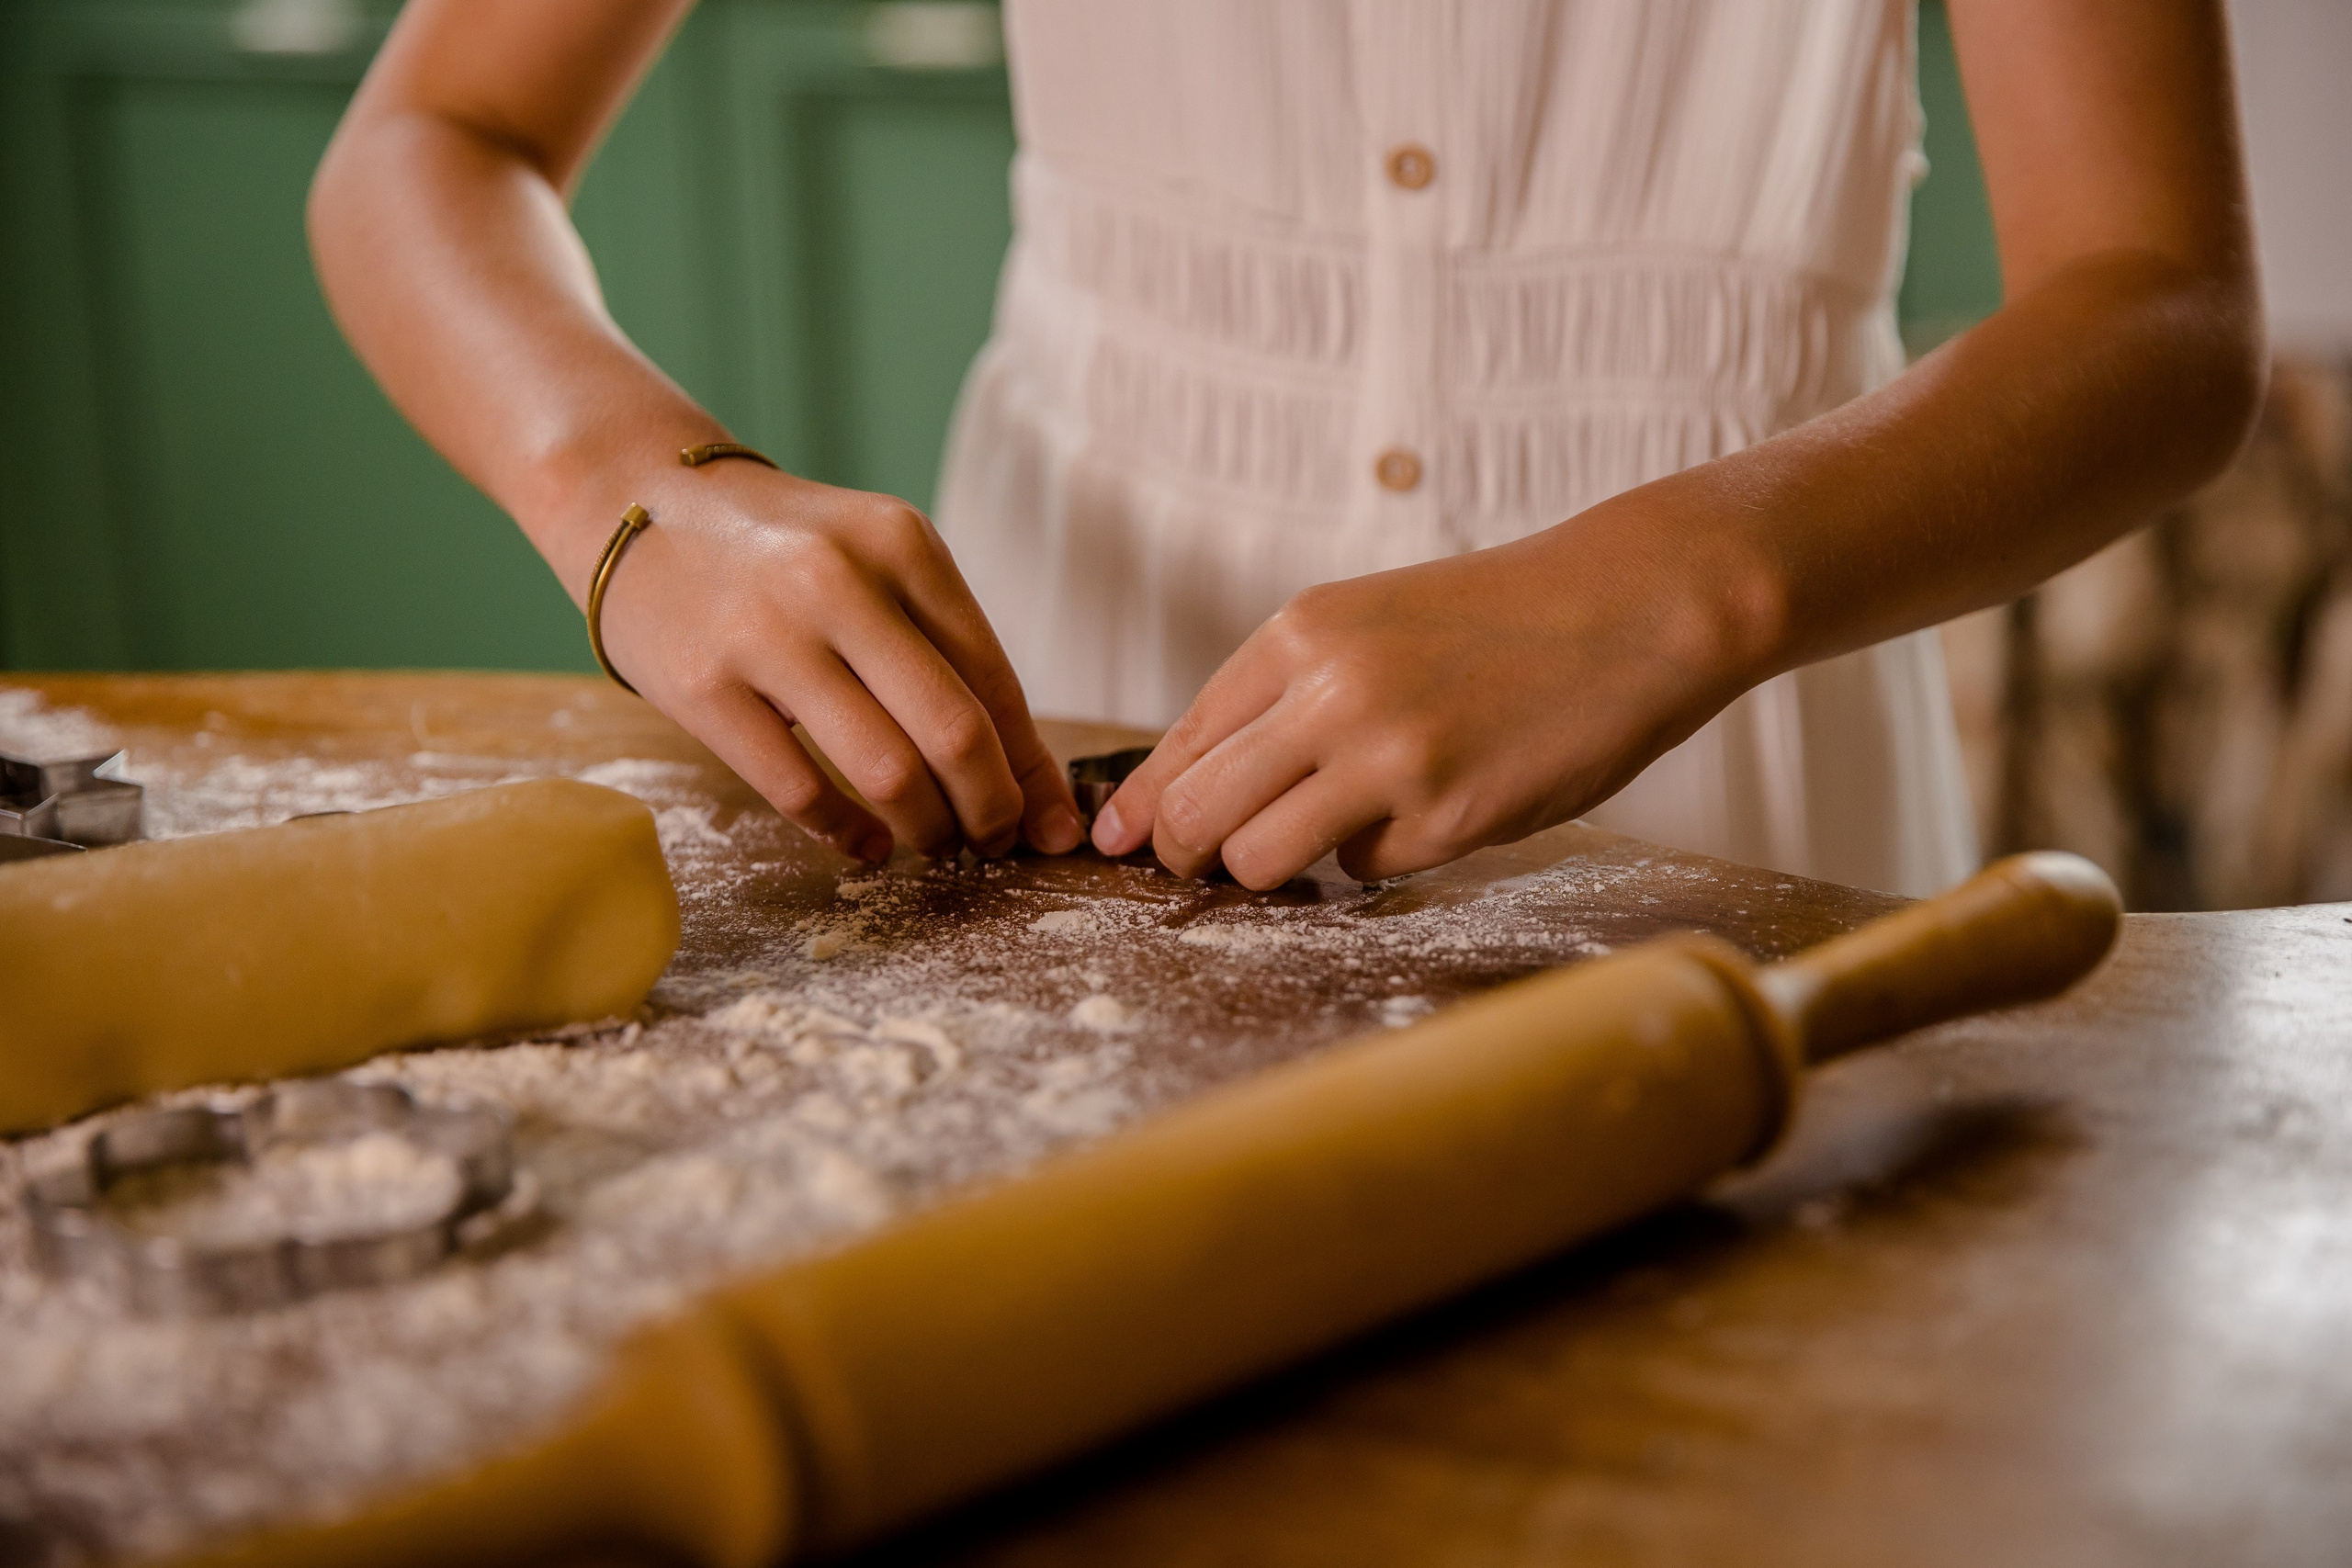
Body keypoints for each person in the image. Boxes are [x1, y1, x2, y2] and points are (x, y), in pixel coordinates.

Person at [311, 0, 2262, 897]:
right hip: (1072, 724)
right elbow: (430, 139)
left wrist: (1681, 587)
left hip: (1721, 764)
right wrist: (640, 497)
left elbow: (2158, 302)